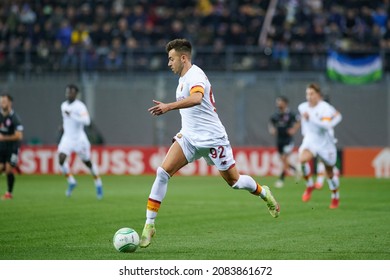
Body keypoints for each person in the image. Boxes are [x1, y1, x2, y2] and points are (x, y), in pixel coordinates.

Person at [139, 38, 280, 248]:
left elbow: (196, 99)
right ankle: (149, 226)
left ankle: (263, 192)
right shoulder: (182, 78)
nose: (169, 63)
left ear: (183, 58)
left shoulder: (195, 75)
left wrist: (169, 106)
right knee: (162, 172)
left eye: (171, 59)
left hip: (213, 140)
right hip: (188, 138)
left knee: (235, 182)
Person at [298, 83, 342, 209]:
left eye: (311, 94)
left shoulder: (325, 108)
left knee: (330, 173)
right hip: (311, 140)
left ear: (318, 95)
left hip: (325, 143)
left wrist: (311, 117)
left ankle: (335, 196)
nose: (309, 96)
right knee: (302, 159)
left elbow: (327, 125)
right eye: (307, 94)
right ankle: (310, 185)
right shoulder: (302, 107)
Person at [57, 84, 103, 199]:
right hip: (67, 138)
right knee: (61, 159)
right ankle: (71, 181)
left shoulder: (80, 106)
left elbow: (87, 121)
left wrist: (72, 115)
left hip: (79, 139)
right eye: (67, 92)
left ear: (76, 94)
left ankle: (98, 183)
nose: (68, 94)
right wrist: (63, 126)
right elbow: (66, 120)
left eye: (71, 92)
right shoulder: (63, 105)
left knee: (87, 162)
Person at [268, 96, 300, 188]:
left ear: (285, 103)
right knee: (283, 160)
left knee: (285, 158)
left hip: (288, 140)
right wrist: (272, 129)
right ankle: (295, 170)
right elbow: (271, 123)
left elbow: (298, 120)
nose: (278, 104)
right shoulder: (276, 115)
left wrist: (294, 129)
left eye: (280, 102)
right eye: (277, 102)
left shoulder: (290, 114)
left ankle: (281, 180)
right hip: (279, 140)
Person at [0, 94, 23, 200]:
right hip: (1, 147)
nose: (2, 103)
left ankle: (9, 193)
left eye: (4, 101)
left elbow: (19, 135)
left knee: (8, 169)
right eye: (1, 101)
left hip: (12, 147)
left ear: (10, 103)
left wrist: (4, 137)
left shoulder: (15, 118)